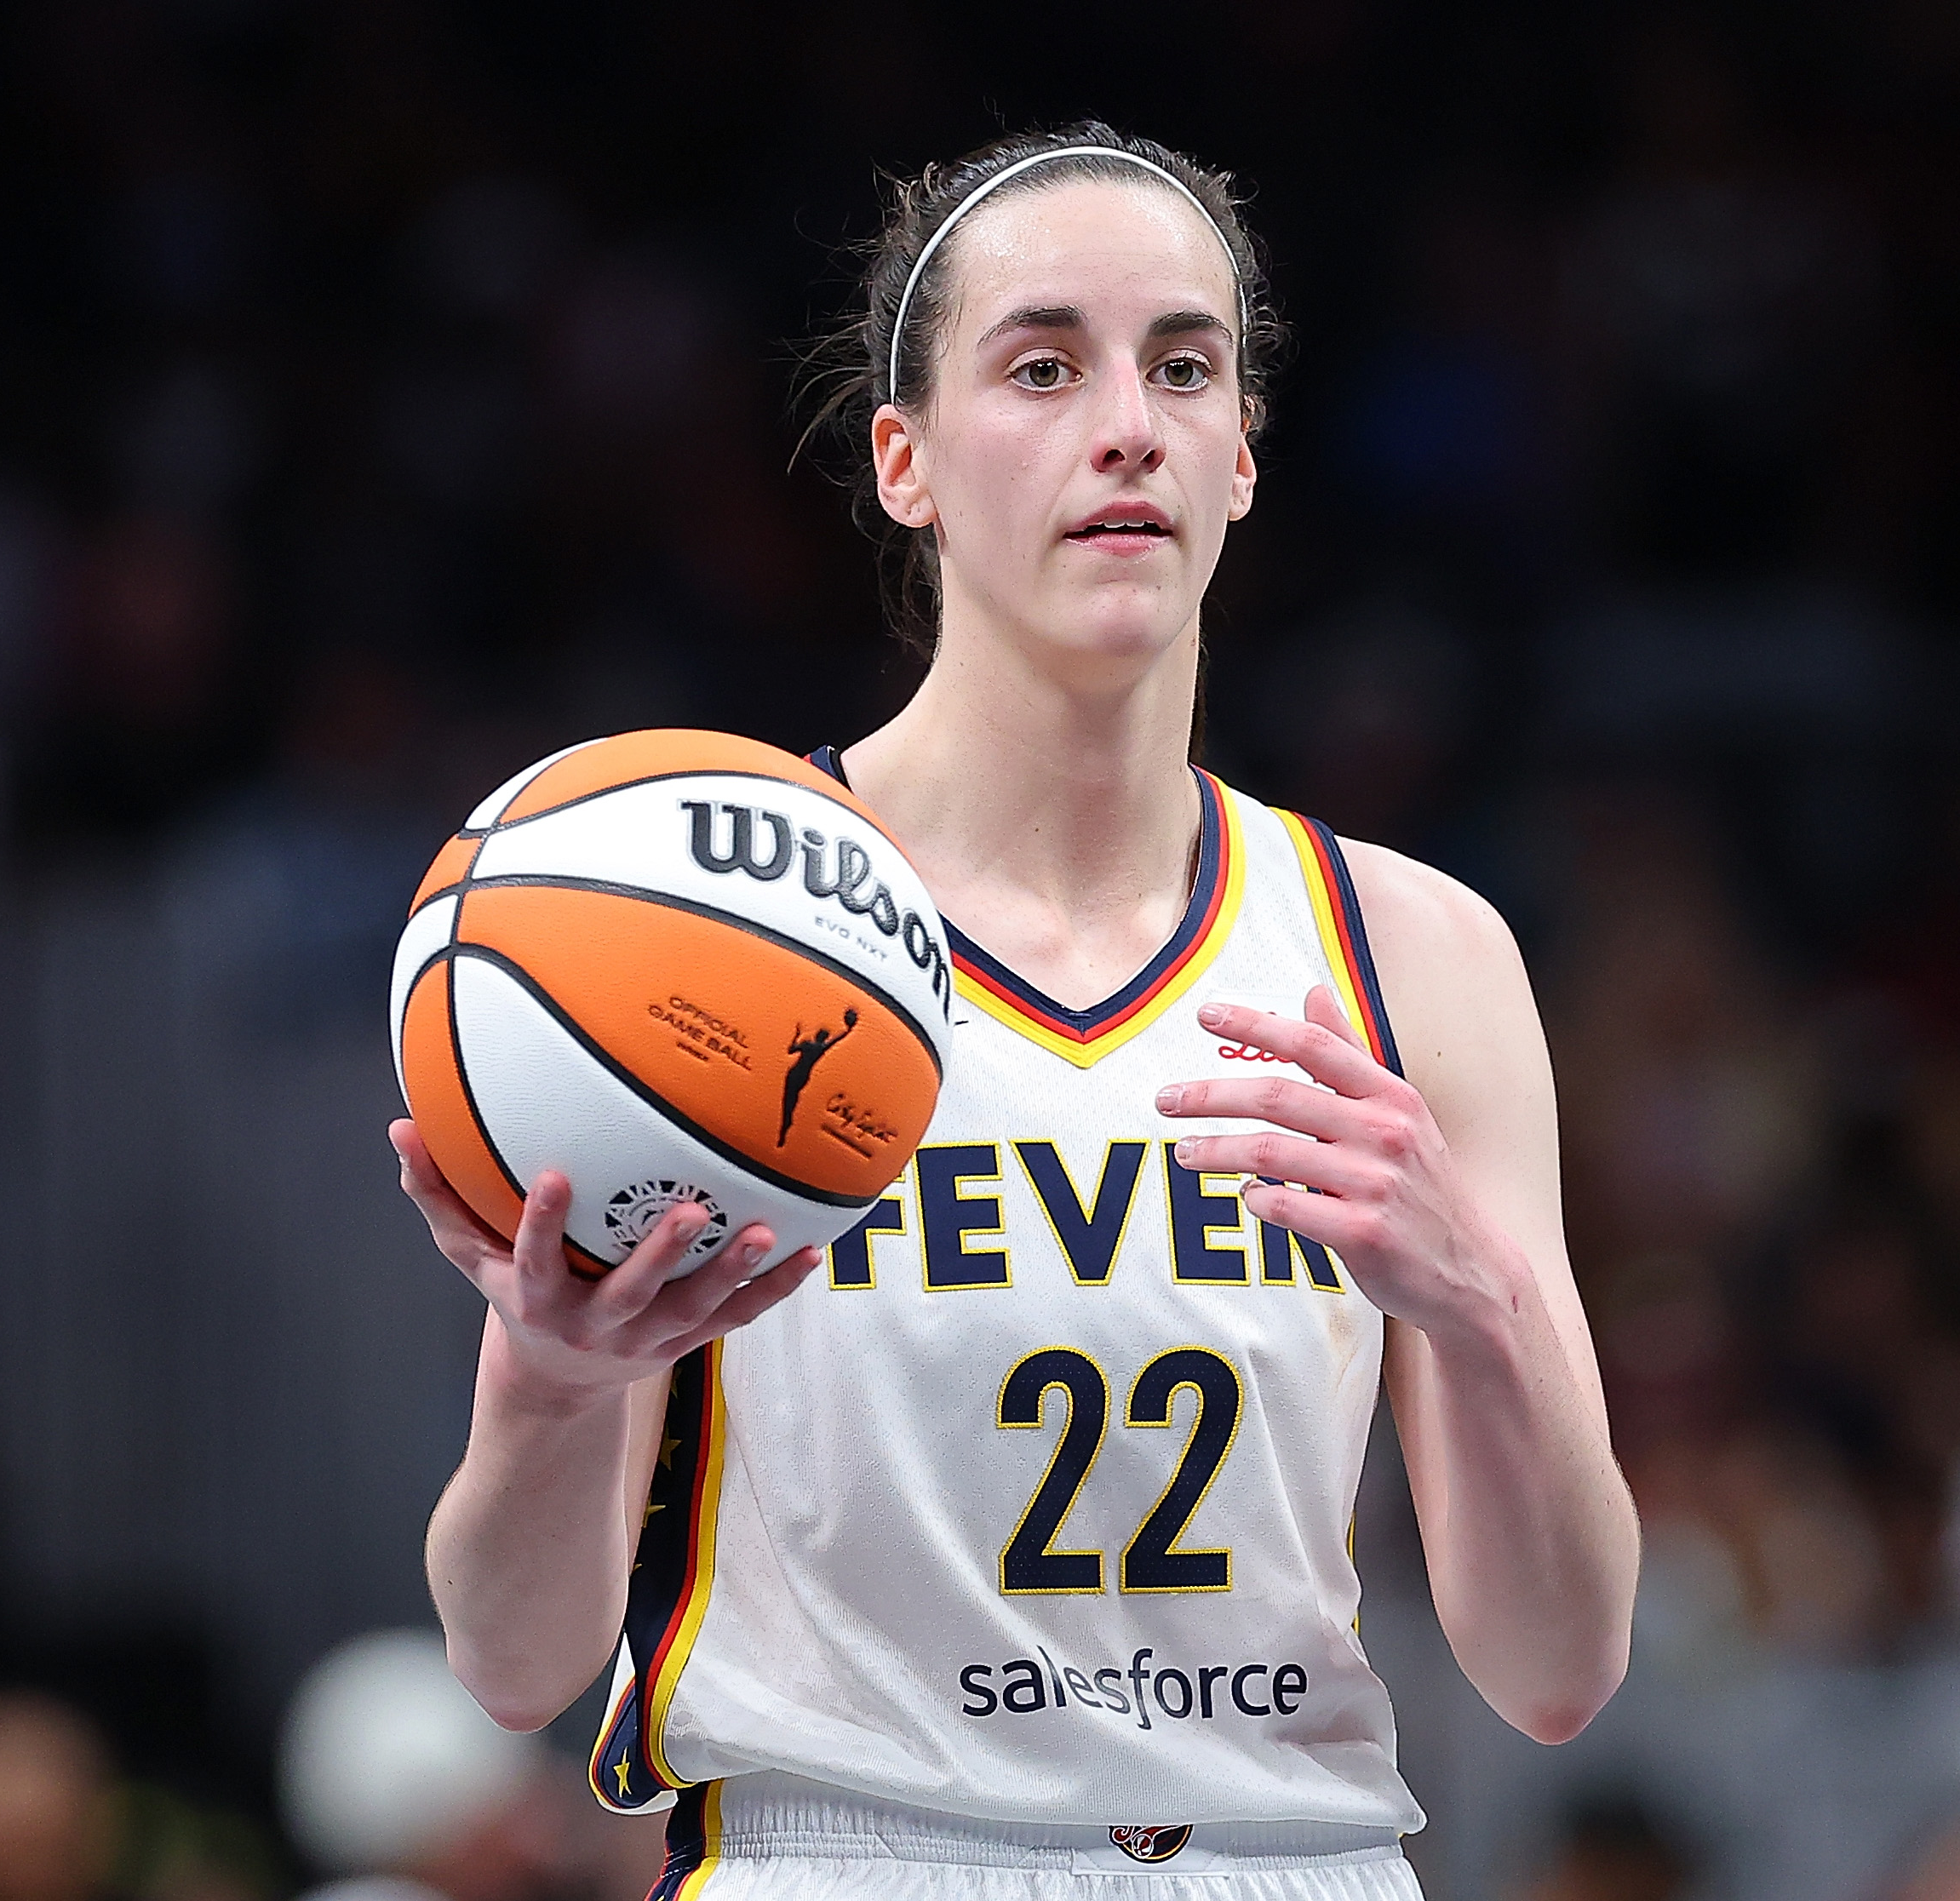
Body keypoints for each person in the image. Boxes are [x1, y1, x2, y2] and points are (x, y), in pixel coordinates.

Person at [393, 123, 1639, 1899]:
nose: (1126, 424)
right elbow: (512, 1662)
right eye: (1043, 366)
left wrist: (1478, 1305)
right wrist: (552, 1385)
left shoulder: (1416, 952)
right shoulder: (701, 917)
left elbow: (1559, 1669)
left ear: (1241, 457)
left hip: (1289, 1858)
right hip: (847, 1854)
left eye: (1182, 368)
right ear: (902, 459)